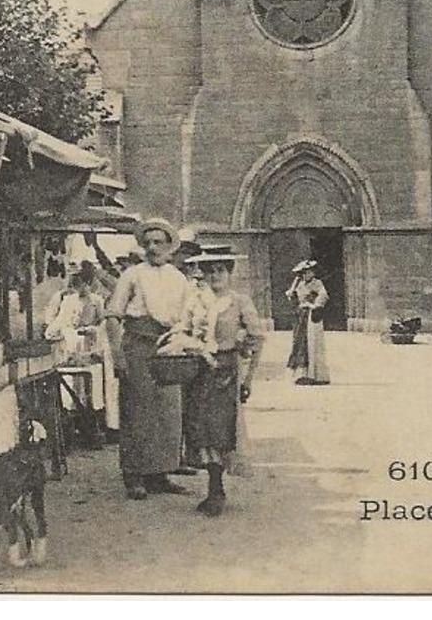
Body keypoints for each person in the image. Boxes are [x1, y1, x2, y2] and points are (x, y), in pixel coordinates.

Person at [106, 217, 195, 500]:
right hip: (137, 346)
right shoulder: (132, 274)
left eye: (159, 242)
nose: (153, 247)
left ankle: (160, 473)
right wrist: (118, 355)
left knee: (168, 411)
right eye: (149, 242)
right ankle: (134, 475)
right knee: (138, 411)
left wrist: (183, 344)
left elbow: (186, 317)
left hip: (166, 347)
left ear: (170, 247)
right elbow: (112, 316)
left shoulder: (178, 277)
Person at [173, 248, 265, 516]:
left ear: (230, 272)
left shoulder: (239, 301)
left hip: (226, 372)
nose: (215, 275)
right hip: (198, 370)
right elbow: (182, 330)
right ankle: (214, 486)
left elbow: (256, 337)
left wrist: (248, 375)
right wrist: (193, 346)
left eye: (221, 270)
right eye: (211, 270)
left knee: (221, 429)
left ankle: (216, 488)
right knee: (199, 427)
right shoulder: (196, 300)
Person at [285, 260, 330, 385]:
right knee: (299, 343)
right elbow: (291, 295)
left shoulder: (317, 283)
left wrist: (313, 305)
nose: (305, 275)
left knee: (312, 342)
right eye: (302, 273)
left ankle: (315, 375)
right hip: (300, 317)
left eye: (307, 272)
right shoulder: (300, 284)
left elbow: (323, 295)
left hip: (311, 316)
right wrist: (295, 284)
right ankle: (301, 374)